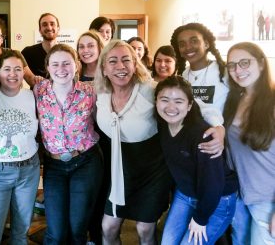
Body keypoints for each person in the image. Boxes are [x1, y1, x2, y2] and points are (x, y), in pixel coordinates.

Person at [94, 40, 225, 245]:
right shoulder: (100, 95)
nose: (120, 66)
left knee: (144, 229)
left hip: (153, 170)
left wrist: (218, 128)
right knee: (108, 227)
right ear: (104, 68)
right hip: (120, 170)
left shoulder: (149, 90)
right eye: (113, 61)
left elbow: (196, 104)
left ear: (135, 64)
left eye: (126, 60)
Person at [155, 76, 237, 245]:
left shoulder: (203, 136)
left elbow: (214, 183)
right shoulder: (162, 123)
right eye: (164, 100)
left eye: (178, 101)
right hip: (186, 195)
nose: (171, 107)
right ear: (156, 101)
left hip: (218, 198)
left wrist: (200, 218)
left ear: (190, 105)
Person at [34, 44, 103, 244]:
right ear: (47, 67)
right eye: (55, 64)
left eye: (66, 63)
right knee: (55, 233)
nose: (61, 69)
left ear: (77, 65)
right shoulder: (38, 91)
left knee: (77, 230)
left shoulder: (90, 92)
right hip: (54, 166)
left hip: (85, 162)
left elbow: (104, 122)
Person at [0, 50, 40, 245]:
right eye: (7, 69)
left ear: (24, 73)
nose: (13, 74)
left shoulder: (33, 96)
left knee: (21, 233)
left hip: (29, 170)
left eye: (17, 69)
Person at [223, 42, 275, 245]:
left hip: (268, 199)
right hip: (243, 195)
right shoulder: (235, 99)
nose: (238, 70)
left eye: (245, 62)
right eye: (232, 65)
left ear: (261, 63)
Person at [76, 31, 110, 245]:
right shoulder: (73, 72)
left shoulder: (108, 72)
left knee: (102, 189)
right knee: (84, 193)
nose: (86, 50)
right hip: (81, 139)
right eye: (81, 46)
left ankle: (98, 236)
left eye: (90, 45)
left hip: (105, 137)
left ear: (99, 48)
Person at [171, 23, 229, 114]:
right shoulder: (182, 76)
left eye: (194, 41)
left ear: (206, 44)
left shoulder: (225, 72)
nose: (188, 47)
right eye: (182, 44)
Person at [22, 13, 60, 77]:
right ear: (40, 30)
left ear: (58, 28)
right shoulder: (28, 53)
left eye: (52, 24)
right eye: (44, 25)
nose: (49, 28)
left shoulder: (68, 53)